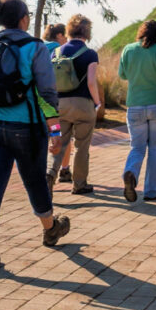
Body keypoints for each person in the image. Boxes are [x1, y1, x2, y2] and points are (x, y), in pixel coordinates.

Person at [0, 0, 71, 268]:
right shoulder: (35, 47)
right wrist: (55, 131)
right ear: (24, 19)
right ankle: (50, 228)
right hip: (26, 127)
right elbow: (47, 92)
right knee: (34, 180)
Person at [118, 20, 156, 202]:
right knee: (155, 148)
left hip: (135, 105)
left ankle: (131, 173)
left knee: (137, 147)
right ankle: (151, 190)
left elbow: (122, 74)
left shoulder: (128, 49)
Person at [48, 14, 101, 194]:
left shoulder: (54, 53)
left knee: (59, 143)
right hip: (83, 105)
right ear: (87, 32)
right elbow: (91, 82)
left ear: (69, 31)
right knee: (81, 146)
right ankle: (79, 184)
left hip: (58, 106)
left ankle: (51, 173)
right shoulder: (90, 54)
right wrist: (97, 102)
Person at [42, 23, 73, 185]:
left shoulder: (36, 46)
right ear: (60, 35)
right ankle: (64, 170)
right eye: (65, 37)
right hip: (55, 103)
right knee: (62, 135)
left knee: (44, 138)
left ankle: (41, 173)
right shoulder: (57, 49)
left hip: (36, 103)